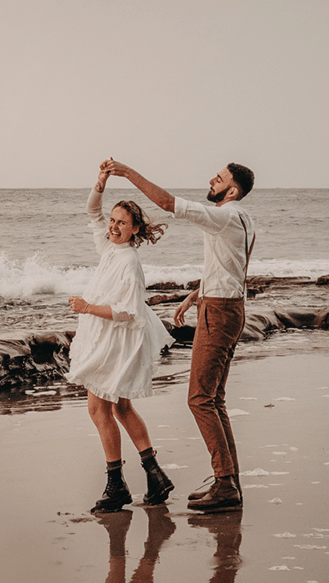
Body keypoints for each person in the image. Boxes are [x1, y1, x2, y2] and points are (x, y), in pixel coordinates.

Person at [106, 160, 256, 512]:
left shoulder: (223, 215)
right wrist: (196, 294)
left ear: (231, 190)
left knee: (200, 399)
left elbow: (168, 203)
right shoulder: (244, 218)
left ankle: (225, 485)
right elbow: (233, 265)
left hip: (219, 312)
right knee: (214, 399)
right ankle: (227, 480)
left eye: (218, 179)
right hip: (228, 305)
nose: (211, 180)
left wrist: (128, 173)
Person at [66, 161, 175, 513]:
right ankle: (154, 475)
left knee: (100, 407)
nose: (112, 226)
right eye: (113, 221)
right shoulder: (110, 247)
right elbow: (91, 211)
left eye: (121, 223)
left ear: (135, 229)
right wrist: (100, 182)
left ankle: (117, 486)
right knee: (121, 407)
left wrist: (86, 307)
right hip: (112, 337)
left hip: (118, 340)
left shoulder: (129, 262)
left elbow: (126, 311)